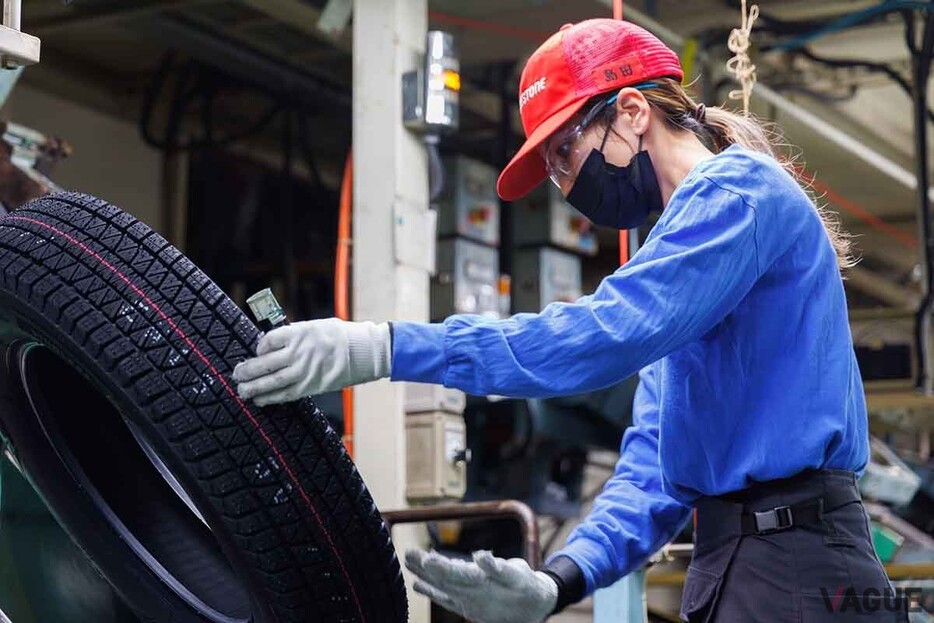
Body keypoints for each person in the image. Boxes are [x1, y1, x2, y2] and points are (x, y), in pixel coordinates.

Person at [233, 18, 905, 623]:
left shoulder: (738, 195)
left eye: (564, 152)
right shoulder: (677, 251)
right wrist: (557, 580)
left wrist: (384, 345)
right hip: (737, 564)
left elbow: (596, 337)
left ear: (633, 110)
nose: (562, 182)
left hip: (796, 565)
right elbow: (652, 469)